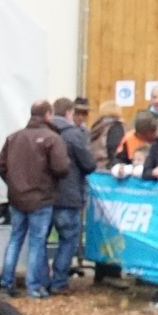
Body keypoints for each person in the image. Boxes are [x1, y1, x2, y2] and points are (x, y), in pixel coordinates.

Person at [0, 100, 69, 299]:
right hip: (41, 198)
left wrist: (13, 183)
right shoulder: (52, 138)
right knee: (37, 243)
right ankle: (33, 287)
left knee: (15, 239)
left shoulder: (14, 137)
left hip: (17, 198)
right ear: (48, 114)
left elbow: (0, 165)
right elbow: (62, 168)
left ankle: (6, 283)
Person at [46, 97, 95, 295]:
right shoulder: (74, 135)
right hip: (69, 194)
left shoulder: (41, 132)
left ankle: (40, 281)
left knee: (40, 240)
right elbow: (88, 164)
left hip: (43, 197)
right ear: (69, 113)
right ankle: (59, 281)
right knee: (68, 239)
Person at [86, 100, 127, 169]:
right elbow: (114, 150)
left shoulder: (97, 125)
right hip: (108, 168)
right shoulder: (116, 127)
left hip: (95, 167)